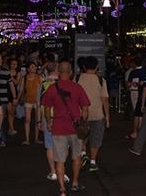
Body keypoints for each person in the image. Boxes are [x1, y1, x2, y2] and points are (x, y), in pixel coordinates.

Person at [42, 61, 90, 196]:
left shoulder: (52, 88)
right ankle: (75, 183)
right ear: (70, 72)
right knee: (76, 157)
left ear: (58, 73)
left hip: (58, 128)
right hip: (75, 129)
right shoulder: (77, 87)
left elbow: (46, 108)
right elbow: (85, 108)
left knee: (60, 160)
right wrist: (82, 121)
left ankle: (62, 189)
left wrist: (49, 121)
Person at [76, 56, 110, 171]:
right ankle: (93, 162)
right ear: (96, 67)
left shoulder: (77, 78)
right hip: (97, 114)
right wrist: (108, 116)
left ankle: (83, 153)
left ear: (84, 67)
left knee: (81, 136)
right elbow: (105, 99)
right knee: (96, 139)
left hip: (81, 114)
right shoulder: (101, 80)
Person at [39, 62, 70, 183]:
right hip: (62, 118)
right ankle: (63, 171)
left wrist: (39, 120)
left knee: (50, 146)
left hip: (47, 118)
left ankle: (53, 172)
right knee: (63, 145)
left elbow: (39, 104)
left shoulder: (43, 85)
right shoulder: (64, 84)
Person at [23, 61, 43, 145]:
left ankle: (36, 138)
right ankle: (27, 139)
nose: (33, 68)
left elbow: (42, 89)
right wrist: (17, 98)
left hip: (37, 101)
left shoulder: (39, 77)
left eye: (34, 67)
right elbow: (21, 89)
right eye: (31, 67)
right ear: (28, 69)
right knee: (27, 120)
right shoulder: (24, 77)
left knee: (37, 120)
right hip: (27, 101)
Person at [125, 56, 144, 140]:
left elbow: (128, 84)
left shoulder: (133, 72)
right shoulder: (145, 71)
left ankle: (136, 132)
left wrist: (133, 84)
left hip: (134, 92)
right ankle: (141, 130)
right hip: (143, 92)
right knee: (142, 111)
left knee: (136, 111)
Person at [8, 58, 24, 136]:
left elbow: (17, 83)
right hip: (7, 92)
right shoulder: (6, 71)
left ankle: (11, 128)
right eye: (12, 64)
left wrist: (10, 77)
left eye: (15, 64)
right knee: (10, 112)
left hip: (14, 93)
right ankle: (11, 128)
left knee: (12, 112)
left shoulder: (18, 73)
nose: (13, 65)